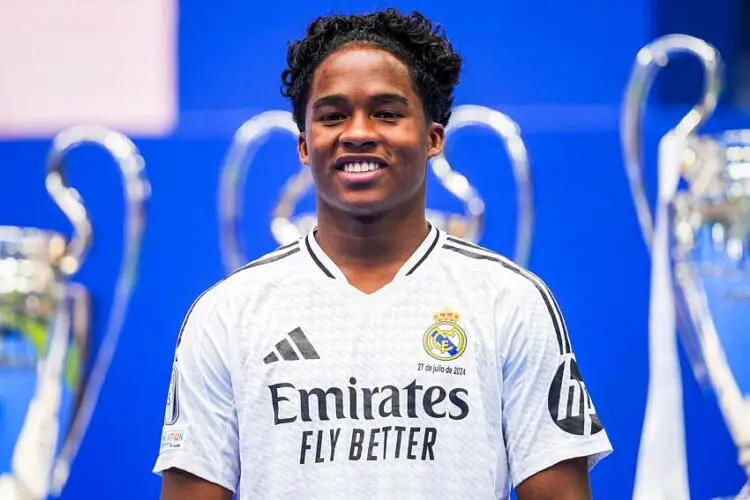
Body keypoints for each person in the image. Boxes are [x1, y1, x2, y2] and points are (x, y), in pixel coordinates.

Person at [153, 8, 612, 499]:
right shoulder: (227, 312)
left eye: (387, 113)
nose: (357, 132)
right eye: (332, 116)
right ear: (305, 146)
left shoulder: (509, 300)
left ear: (433, 137)